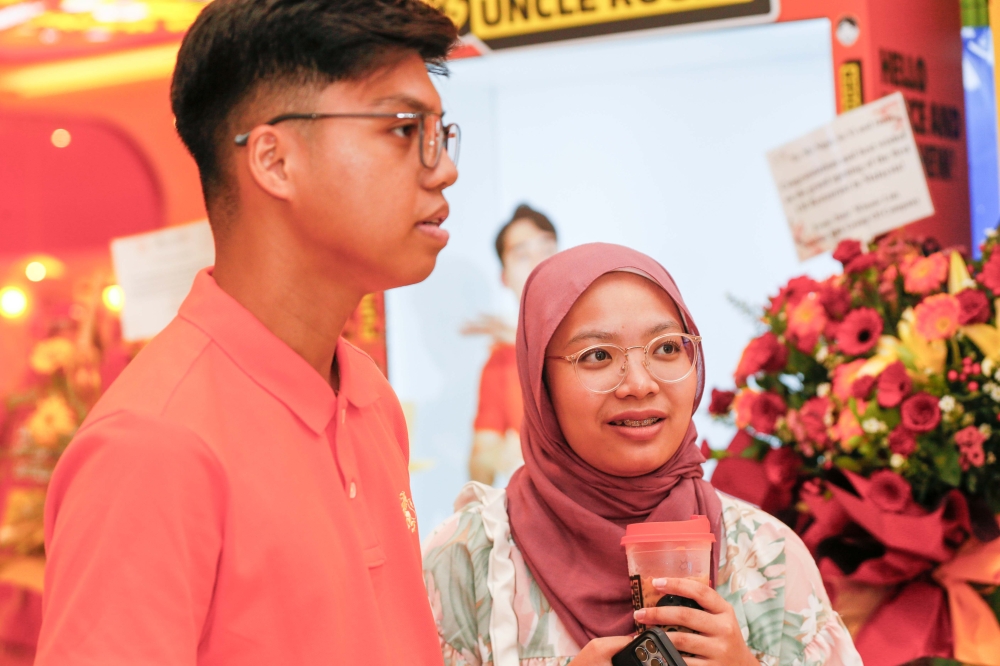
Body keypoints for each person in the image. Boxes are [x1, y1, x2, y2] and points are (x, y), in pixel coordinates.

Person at [37, 1, 459, 664]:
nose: (443, 168)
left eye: (442, 133)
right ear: (274, 159)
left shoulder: (368, 396)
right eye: (404, 130)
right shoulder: (154, 447)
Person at [423, 244, 862, 666]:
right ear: (541, 384)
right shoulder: (470, 558)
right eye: (597, 355)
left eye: (667, 348)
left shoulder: (766, 555)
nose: (639, 383)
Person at [463, 204, 558, 485]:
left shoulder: (600, 327)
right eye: (522, 255)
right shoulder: (501, 360)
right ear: (504, 277)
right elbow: (479, 466)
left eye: (547, 249)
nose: (539, 262)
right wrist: (496, 456)